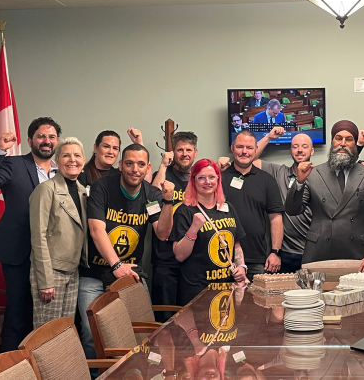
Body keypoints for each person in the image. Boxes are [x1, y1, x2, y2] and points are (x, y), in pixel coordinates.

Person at [78, 143, 174, 359]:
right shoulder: (102, 187)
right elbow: (96, 230)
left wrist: (168, 201)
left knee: (142, 331)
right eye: (129, 163)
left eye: (141, 164)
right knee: (90, 333)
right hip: (94, 273)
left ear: (148, 167)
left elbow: (162, 233)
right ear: (121, 165)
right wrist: (116, 265)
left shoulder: (152, 194)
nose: (134, 169)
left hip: (130, 274)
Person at [0, 117, 61, 351]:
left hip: (52, 256)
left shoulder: (63, 170)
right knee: (17, 315)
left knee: (45, 317)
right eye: (41, 136)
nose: (46, 141)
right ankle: (9, 369)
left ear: (57, 141)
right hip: (18, 252)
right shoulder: (13, 164)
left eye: (51, 137)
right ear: (30, 140)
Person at [285, 120, 364, 271]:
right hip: (319, 252)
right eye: (338, 138)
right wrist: (299, 182)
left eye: (349, 139)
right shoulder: (314, 173)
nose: (343, 143)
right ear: (332, 141)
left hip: (359, 254)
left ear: (355, 144)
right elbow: (293, 210)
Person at [237, 127, 315, 273]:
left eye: (305, 147)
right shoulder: (279, 171)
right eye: (295, 146)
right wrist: (269, 137)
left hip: (312, 250)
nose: (299, 150)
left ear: (312, 151)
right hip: (284, 252)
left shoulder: (319, 175)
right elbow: (249, 159)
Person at [29, 137, 88, 328]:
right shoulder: (45, 189)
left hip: (73, 271)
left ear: (83, 160)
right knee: (46, 335)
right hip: (51, 273)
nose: (72, 160)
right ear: (56, 160)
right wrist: (45, 281)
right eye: (66, 155)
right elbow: (38, 237)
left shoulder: (82, 191)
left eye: (77, 155)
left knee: (64, 332)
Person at [171, 159, 247, 304]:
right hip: (197, 291)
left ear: (218, 179)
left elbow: (235, 244)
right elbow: (179, 255)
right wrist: (193, 229)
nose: (207, 182)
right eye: (201, 177)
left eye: (212, 177)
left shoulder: (227, 208)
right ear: (193, 181)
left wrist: (241, 267)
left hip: (227, 288)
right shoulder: (184, 211)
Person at [220, 130, 284, 280]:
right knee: (223, 302)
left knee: (257, 302)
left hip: (257, 258)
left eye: (249, 148)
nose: (244, 151)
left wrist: (275, 252)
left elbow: (276, 218)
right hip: (222, 257)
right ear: (232, 148)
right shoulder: (218, 178)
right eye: (240, 147)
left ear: (256, 149)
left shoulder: (267, 180)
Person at [151, 131, 198, 315]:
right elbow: (151, 196)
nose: (184, 154)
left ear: (195, 152)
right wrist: (163, 165)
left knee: (191, 318)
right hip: (165, 260)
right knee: (165, 319)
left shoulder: (199, 178)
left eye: (188, 150)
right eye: (180, 150)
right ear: (173, 153)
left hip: (192, 260)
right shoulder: (162, 175)